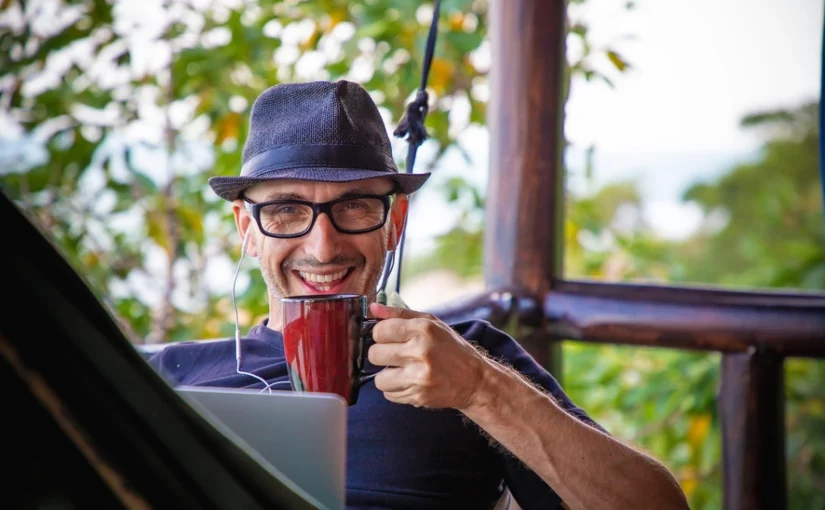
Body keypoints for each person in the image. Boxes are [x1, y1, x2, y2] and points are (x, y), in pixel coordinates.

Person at [148, 80, 689, 510]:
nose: (323, 244)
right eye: (286, 209)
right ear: (247, 226)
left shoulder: (466, 360)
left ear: (395, 221)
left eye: (355, 206)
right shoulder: (172, 377)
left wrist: (482, 391)